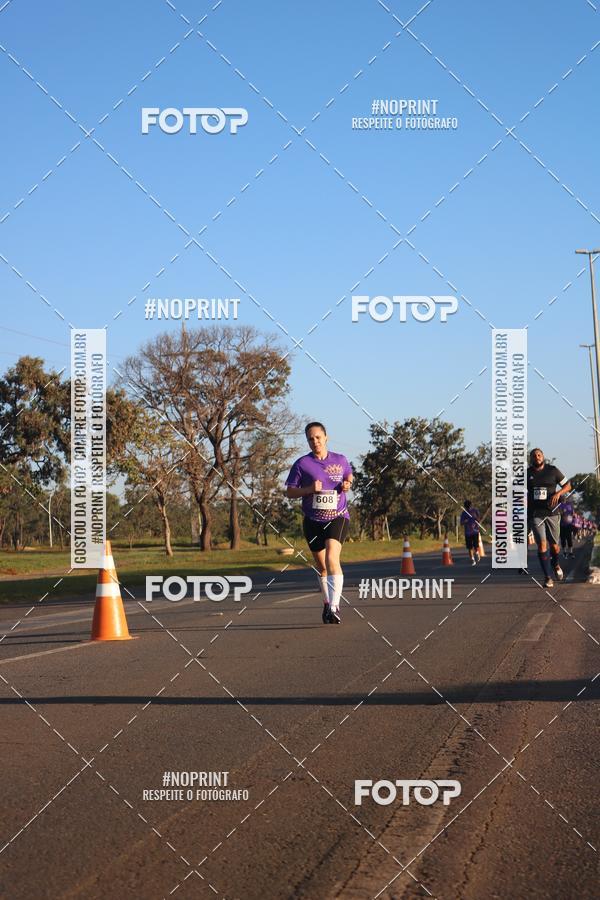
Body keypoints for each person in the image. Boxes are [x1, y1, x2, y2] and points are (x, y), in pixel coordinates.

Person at [285, 422, 352, 624]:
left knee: (332, 558)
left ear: (326, 437)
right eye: (310, 439)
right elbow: (289, 492)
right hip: (313, 520)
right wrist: (309, 490)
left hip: (338, 516)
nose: (315, 441)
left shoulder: (340, 459)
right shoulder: (302, 464)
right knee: (322, 567)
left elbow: (348, 474)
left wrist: (348, 483)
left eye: (318, 437)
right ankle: (326, 602)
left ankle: (334, 606)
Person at [527, 448, 572, 588]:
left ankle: (556, 563)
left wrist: (558, 494)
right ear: (531, 458)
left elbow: (568, 486)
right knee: (542, 544)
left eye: (539, 455)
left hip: (552, 512)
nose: (537, 457)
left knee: (554, 546)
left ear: (543, 457)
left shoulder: (553, 470)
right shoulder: (526, 474)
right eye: (534, 455)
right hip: (536, 513)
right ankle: (548, 577)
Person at [460, 500, 481, 565]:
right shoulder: (464, 513)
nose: (468, 507)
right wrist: (465, 521)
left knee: (475, 546)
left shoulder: (475, 511)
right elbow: (461, 523)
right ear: (465, 506)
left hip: (475, 531)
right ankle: (472, 560)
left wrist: (476, 519)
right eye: (467, 506)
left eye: (469, 506)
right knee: (469, 547)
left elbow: (479, 519)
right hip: (468, 533)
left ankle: (477, 553)